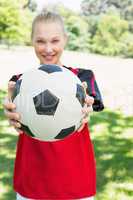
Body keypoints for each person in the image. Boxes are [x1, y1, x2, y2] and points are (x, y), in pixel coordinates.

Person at [3, 10, 104, 200]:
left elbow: (93, 101)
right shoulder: (20, 82)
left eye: (55, 40)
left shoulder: (82, 77)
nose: (48, 48)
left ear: (65, 40)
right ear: (32, 41)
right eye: (40, 41)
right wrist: (8, 108)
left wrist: (87, 106)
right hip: (32, 182)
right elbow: (10, 101)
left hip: (76, 181)